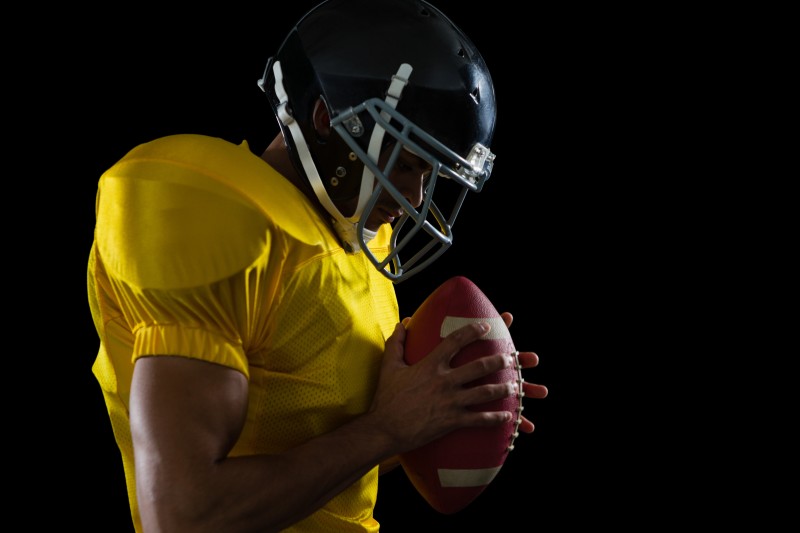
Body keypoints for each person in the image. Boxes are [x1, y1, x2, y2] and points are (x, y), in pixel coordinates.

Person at [86, 0, 548, 531]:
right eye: (407, 161)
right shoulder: (211, 214)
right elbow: (186, 513)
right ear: (329, 119)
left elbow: (320, 446)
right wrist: (388, 429)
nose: (415, 197)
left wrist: (446, 407)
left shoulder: (359, 256)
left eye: (432, 174)